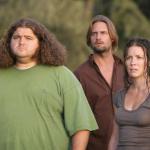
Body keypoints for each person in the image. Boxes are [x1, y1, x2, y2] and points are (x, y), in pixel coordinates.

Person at [0, 18, 98, 150]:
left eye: (28, 38)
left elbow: (81, 125)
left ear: (41, 44)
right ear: (8, 42)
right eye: (16, 37)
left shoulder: (62, 75)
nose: (21, 42)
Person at [74, 15, 124, 150]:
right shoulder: (79, 74)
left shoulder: (126, 70)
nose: (98, 37)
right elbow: (75, 117)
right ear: (89, 39)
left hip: (128, 144)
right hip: (95, 146)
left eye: (103, 33)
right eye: (94, 34)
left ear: (112, 38)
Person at [108, 37, 150, 150]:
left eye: (139, 58)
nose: (133, 63)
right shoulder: (119, 96)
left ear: (149, 62)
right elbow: (114, 138)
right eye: (129, 58)